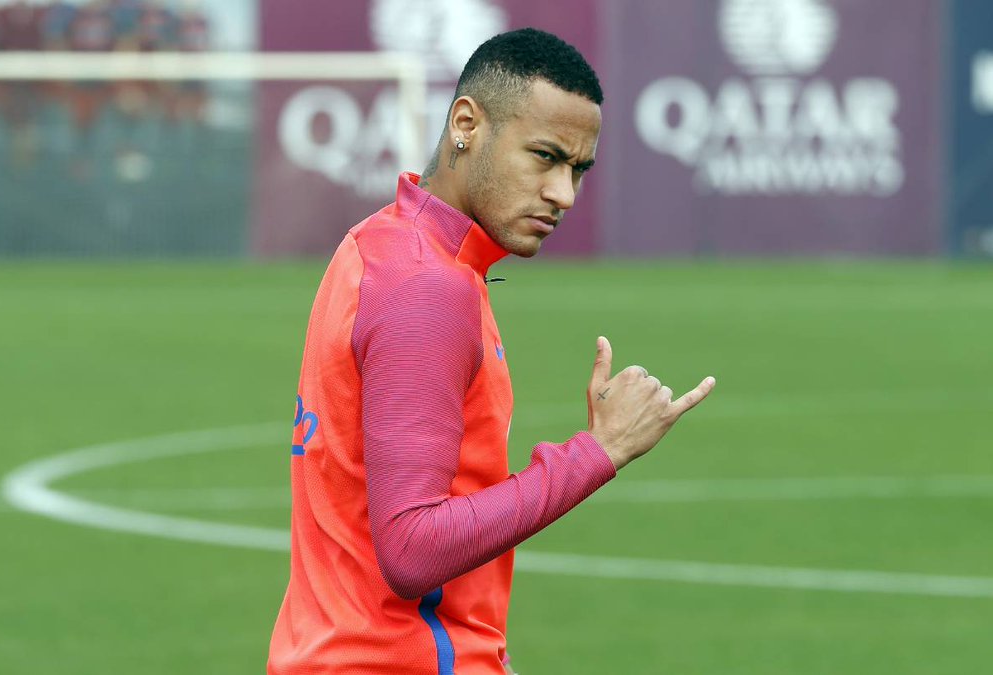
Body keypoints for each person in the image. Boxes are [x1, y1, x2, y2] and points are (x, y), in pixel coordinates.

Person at [267, 27, 715, 675]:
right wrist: (600, 450)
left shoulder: (379, 245)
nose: (563, 193)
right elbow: (411, 551)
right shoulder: (428, 286)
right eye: (544, 157)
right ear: (466, 125)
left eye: (577, 169)